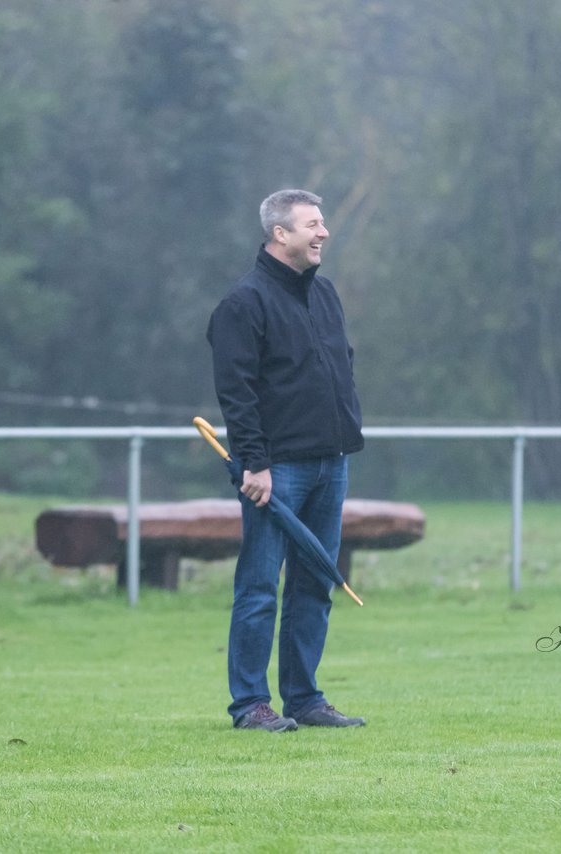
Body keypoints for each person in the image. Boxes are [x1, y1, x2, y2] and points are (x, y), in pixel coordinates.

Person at [206, 189, 366, 732]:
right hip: (276, 471)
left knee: (315, 583)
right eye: (312, 225)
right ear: (281, 234)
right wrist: (254, 463)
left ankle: (305, 699)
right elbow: (238, 392)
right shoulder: (242, 304)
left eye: (321, 224)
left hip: (330, 463)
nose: (323, 233)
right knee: (258, 587)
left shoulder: (325, 295)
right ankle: (250, 704)